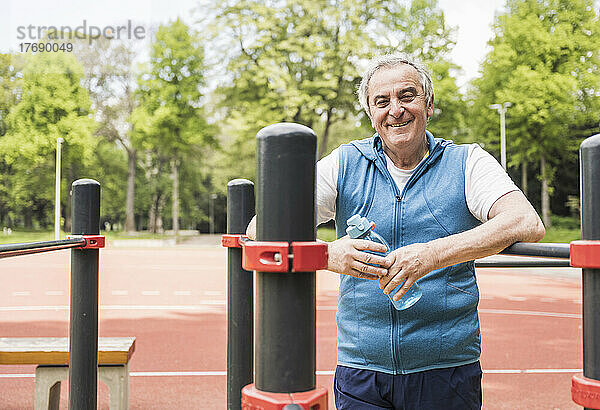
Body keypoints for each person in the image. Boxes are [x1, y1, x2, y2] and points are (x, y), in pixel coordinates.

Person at [248, 54, 545, 409]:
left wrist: (431, 255)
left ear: (429, 103)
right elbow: (259, 228)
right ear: (371, 113)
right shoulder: (344, 163)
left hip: (447, 370)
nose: (396, 110)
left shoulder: (467, 161)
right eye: (382, 101)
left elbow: (525, 222)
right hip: (361, 371)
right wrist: (328, 255)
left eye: (407, 96)